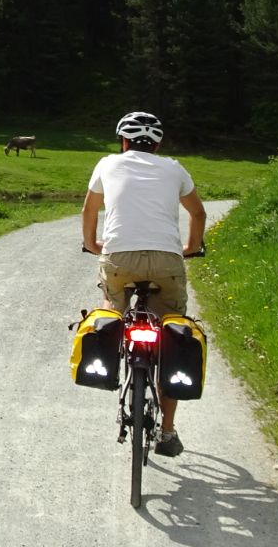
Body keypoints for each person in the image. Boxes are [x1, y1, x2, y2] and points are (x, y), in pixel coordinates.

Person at [80, 110, 207, 457]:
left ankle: (107, 350)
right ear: (158, 143)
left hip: (119, 259)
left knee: (111, 312)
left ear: (123, 141)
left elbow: (89, 212)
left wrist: (93, 245)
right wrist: (191, 248)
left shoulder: (107, 164)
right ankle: (166, 431)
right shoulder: (175, 168)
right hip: (167, 261)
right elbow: (198, 213)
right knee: (173, 333)